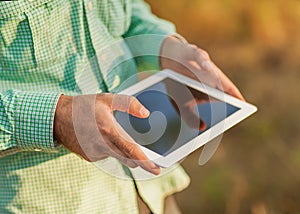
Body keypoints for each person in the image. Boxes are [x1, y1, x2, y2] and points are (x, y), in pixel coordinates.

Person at [0, 0, 244, 213]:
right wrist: (57, 117)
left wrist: (166, 48)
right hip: (52, 202)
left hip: (148, 190)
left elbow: (125, 13)